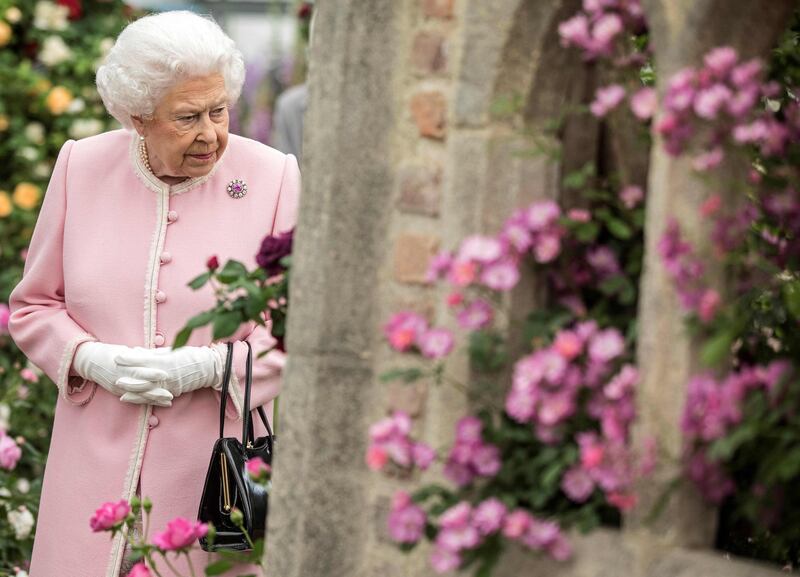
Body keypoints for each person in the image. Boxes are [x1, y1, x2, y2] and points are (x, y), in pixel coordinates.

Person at [7, 11, 299, 577]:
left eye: (219, 110)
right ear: (138, 118)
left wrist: (210, 367)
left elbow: (296, 327)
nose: (211, 133)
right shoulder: (81, 166)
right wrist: (90, 359)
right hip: (91, 474)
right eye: (187, 117)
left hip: (214, 484)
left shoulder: (273, 177)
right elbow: (35, 304)